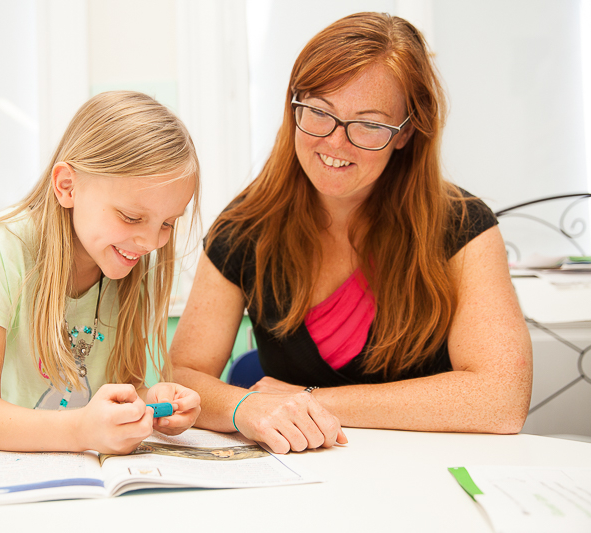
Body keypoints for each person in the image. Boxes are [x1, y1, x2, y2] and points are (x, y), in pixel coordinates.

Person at [171, 12, 532, 454]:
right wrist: (245, 406)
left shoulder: (462, 225)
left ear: (406, 132)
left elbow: (500, 400)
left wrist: (307, 401)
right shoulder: (246, 227)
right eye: (320, 112)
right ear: (294, 106)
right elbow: (183, 377)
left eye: (370, 124)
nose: (335, 143)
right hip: (300, 479)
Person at [0, 91, 201, 454]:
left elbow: (122, 390)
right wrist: (81, 432)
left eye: (167, 223)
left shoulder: (130, 264)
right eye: (131, 217)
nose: (151, 242)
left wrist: (152, 399)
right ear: (67, 186)